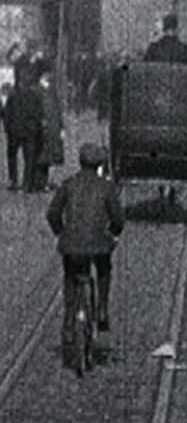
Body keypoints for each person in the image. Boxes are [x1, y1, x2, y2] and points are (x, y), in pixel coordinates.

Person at [47, 144, 124, 366]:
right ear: (99, 164)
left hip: (71, 243)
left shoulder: (68, 184)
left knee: (70, 277)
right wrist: (113, 235)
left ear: (80, 162)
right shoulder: (107, 188)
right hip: (99, 243)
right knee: (104, 268)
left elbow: (52, 213)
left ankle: (69, 323)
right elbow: (118, 219)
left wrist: (61, 232)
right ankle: (101, 310)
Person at [4, 68, 42, 191]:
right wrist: (36, 128)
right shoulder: (35, 96)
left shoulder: (13, 96)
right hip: (30, 131)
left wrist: (7, 128)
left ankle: (13, 180)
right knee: (29, 158)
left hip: (14, 131)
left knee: (12, 156)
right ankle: (27, 182)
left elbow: (7, 114)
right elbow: (39, 114)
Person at [31, 61, 64, 193]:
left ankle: (46, 181)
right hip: (44, 129)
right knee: (42, 157)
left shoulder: (51, 90)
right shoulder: (37, 91)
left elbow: (57, 109)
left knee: (50, 157)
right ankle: (40, 182)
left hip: (53, 128)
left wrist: (62, 126)